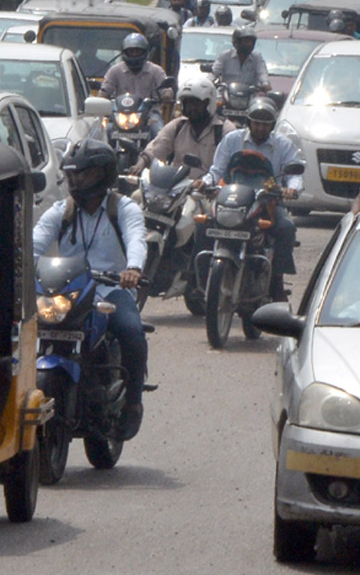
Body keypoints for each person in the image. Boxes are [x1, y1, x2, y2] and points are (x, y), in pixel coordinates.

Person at [32, 140, 148, 439]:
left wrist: (133, 268)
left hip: (111, 292)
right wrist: (17, 264)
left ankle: (134, 402)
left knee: (132, 331)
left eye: (85, 174)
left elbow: (137, 238)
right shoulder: (61, 211)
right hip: (68, 291)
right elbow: (33, 243)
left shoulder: (123, 208)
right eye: (73, 175)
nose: (77, 181)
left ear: (104, 175)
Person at [207, 97, 301, 301]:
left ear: (272, 125)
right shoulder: (233, 139)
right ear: (249, 122)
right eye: (256, 123)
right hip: (232, 200)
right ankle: (198, 278)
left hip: (267, 202)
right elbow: (216, 170)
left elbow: (294, 175)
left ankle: (276, 280)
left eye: (265, 124)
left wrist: (290, 189)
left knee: (286, 227)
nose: (260, 128)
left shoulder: (283, 145)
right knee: (203, 222)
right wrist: (204, 182)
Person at [133, 77, 233, 182]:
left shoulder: (224, 130)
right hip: (177, 188)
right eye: (187, 103)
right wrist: (141, 163)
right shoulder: (177, 126)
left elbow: (232, 166)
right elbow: (157, 148)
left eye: (196, 103)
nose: (191, 108)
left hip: (211, 191)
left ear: (209, 103)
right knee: (137, 196)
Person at [100, 33, 173, 139]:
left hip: (149, 115)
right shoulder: (115, 70)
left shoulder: (155, 70)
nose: (134, 55)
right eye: (131, 51)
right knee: (105, 131)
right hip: (121, 115)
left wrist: (167, 94)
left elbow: (166, 90)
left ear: (145, 52)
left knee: (159, 132)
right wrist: (102, 98)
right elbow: (105, 90)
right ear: (124, 53)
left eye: (137, 51)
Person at [212, 26, 271, 93]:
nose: (249, 45)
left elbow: (262, 73)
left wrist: (265, 84)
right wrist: (208, 82)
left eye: (251, 42)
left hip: (248, 95)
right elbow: (214, 72)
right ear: (236, 43)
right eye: (246, 42)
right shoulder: (225, 56)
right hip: (226, 94)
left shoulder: (257, 57)